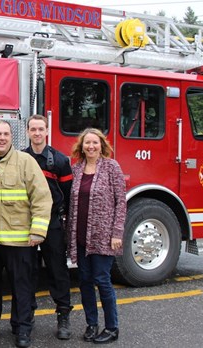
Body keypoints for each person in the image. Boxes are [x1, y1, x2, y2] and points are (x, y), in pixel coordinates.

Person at [0, 120, 52, 348]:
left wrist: (38, 231)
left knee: (23, 287)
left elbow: (41, 197)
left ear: (12, 137)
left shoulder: (25, 162)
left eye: (6, 134)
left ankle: (22, 328)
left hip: (20, 241)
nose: (2, 138)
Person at [66, 128, 126, 344]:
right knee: (84, 281)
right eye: (87, 143)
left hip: (104, 237)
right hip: (80, 238)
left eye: (95, 143)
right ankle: (92, 324)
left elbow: (121, 202)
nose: (91, 146)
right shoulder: (77, 169)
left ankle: (112, 328)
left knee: (102, 281)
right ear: (81, 146)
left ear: (102, 145)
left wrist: (117, 232)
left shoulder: (112, 167)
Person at [22, 115, 74, 340]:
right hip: (26, 223)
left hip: (52, 223)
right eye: (33, 129)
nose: (36, 133)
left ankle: (63, 316)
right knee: (28, 272)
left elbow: (69, 196)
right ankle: (27, 317)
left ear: (47, 131)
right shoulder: (20, 159)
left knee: (58, 271)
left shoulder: (60, 161)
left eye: (40, 129)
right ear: (27, 132)